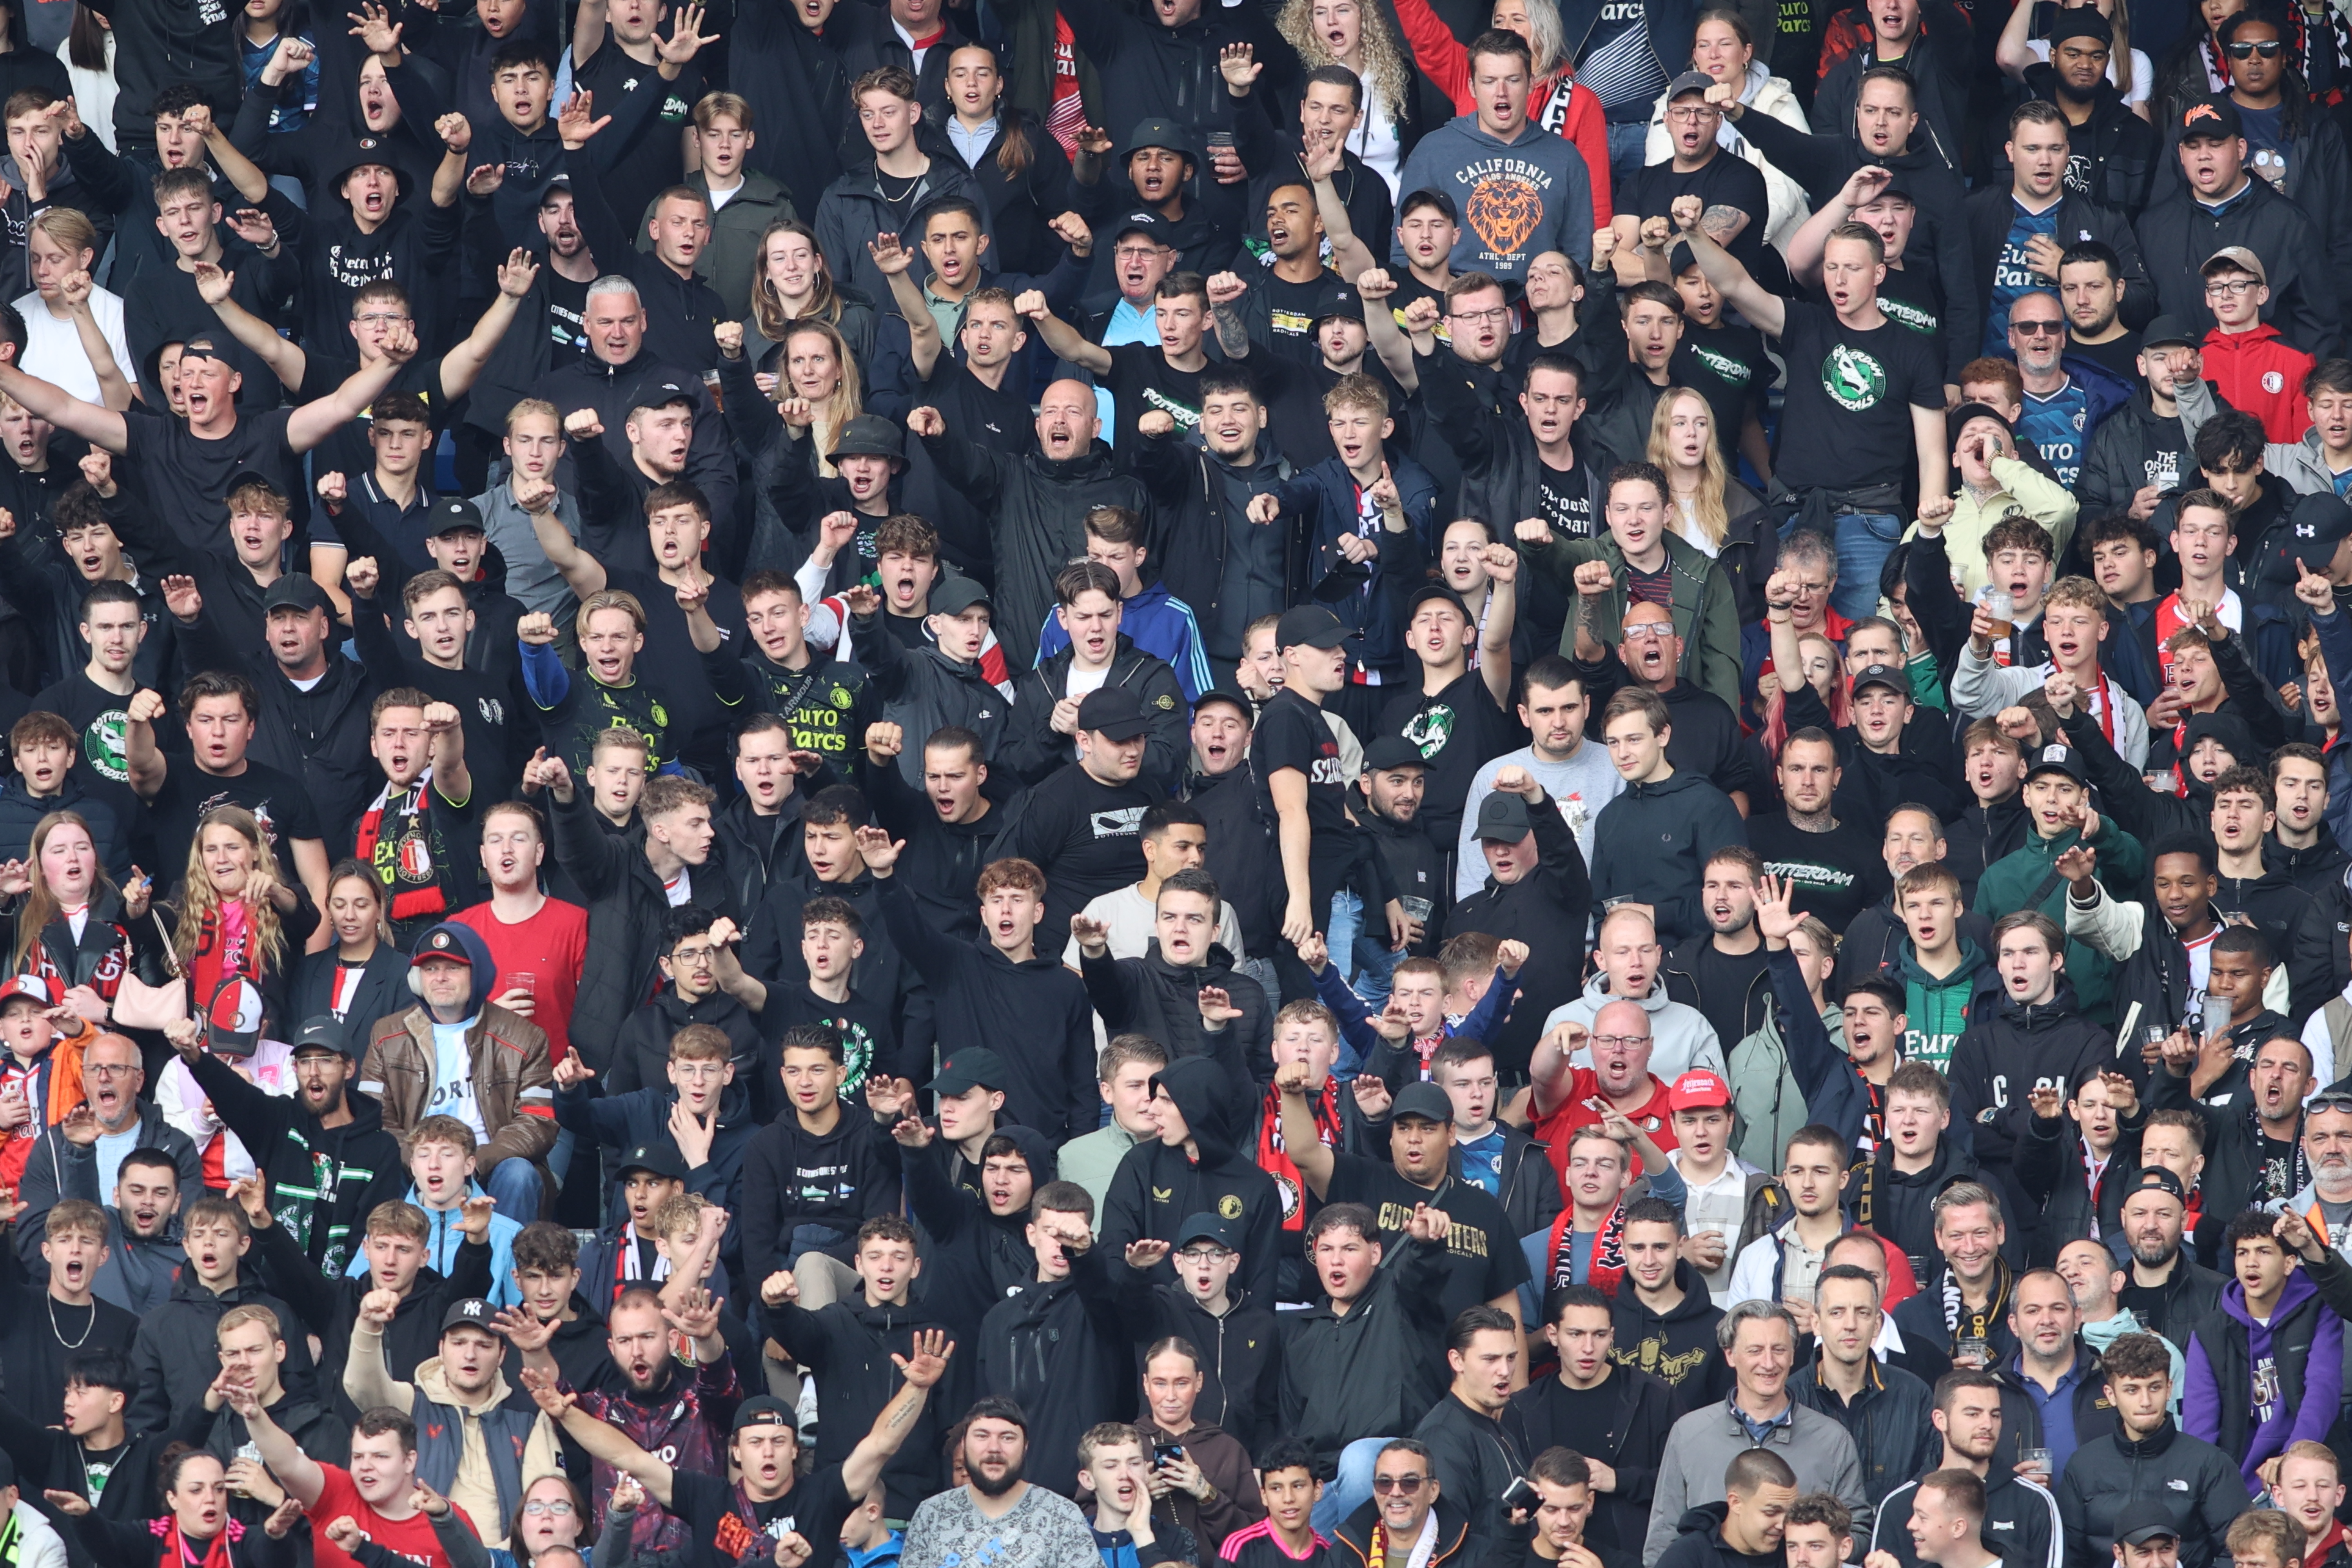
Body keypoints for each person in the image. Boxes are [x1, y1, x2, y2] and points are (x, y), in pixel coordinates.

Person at [1674, 182, 1948, 622]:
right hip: (1794, 512)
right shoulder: (1807, 324)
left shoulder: (1913, 349)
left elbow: (1933, 452)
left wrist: (1931, 535)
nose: (1839, 279)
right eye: (1832, 267)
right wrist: (1693, 234)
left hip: (1870, 519)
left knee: (1864, 648)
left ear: (1879, 274)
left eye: (1853, 269)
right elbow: (1735, 283)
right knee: (1787, 642)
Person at [1643, 1301, 1871, 1565]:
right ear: (1730, 1355)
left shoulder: (1832, 1441)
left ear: (1793, 1355)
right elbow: (1663, 1536)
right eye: (1755, 1351)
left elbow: (1857, 1534)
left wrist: (1809, 1551)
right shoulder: (1688, 1432)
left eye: (1779, 1350)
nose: (1769, 1363)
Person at [360, 920, 555, 1222]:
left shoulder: (525, 1037)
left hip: (490, 1165)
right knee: (374, 1164)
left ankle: (511, 1266)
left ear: (476, 975)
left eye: (453, 968)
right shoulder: (386, 1035)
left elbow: (538, 1122)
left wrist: (476, 1162)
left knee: (520, 1174)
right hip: (415, 1163)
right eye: (430, 969)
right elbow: (372, 1118)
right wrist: (420, 1160)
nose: (440, 978)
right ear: (416, 979)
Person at [2055, 1331, 2249, 1568]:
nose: (2145, 1401)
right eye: (2132, 1390)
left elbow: (2240, 1553)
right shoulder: (2083, 1466)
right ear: (2111, 1395)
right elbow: (2068, 1557)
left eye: (2154, 1387)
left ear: (2169, 1389)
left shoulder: (2210, 1464)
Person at [1508, 1285, 1676, 1557]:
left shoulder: (1653, 1398)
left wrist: (1620, 1479)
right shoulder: (1524, 1408)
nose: (1588, 1348)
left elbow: (1683, 1483)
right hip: (1546, 1557)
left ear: (1612, 1336)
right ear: (1553, 1335)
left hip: (1630, 1555)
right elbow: (1509, 1490)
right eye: (1576, 1334)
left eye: (1599, 1335)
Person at [2181, 1209, 2342, 1489]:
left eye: (2264, 1252)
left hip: (2307, 1474)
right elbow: (2200, 1428)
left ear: (2289, 1263)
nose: (2251, 1263)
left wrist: (2292, 1460)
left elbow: (2322, 1391)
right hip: (2239, 1484)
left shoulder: (2319, 1311)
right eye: (2242, 1253)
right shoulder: (2211, 1332)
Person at [1869, 1368, 2060, 1568]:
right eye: (1973, 1414)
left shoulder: (2034, 1501)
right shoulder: (1898, 1504)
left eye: (1995, 1415)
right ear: (1940, 1420)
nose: (1987, 1424)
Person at [1791, 1263, 1933, 1508]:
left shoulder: (1914, 1395)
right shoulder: (1790, 1398)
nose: (1850, 1324)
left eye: (1863, 1312)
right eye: (1837, 1312)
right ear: (1816, 1323)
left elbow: (1932, 1480)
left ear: (1878, 1323)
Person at [899, 1396, 1102, 1568]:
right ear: (964, 1445)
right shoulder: (932, 1514)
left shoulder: (1062, 1515)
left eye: (1007, 1438)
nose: (994, 1448)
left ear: (1025, 1447)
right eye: (982, 1436)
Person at [1653, 1448, 1800, 1568]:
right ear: (1736, 1503)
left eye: (1791, 1512)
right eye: (1771, 1512)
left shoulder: (1800, 1554)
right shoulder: (1688, 1557)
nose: (1783, 1525)